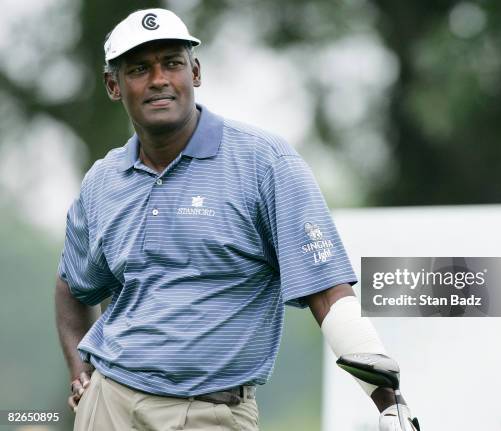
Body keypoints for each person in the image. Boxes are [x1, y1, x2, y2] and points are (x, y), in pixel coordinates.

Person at [54, 8, 418, 431]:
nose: (158, 80)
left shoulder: (265, 163)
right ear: (113, 85)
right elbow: (73, 286)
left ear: (196, 72)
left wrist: (389, 403)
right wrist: (81, 373)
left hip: (211, 412)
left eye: (172, 63)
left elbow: (329, 293)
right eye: (139, 69)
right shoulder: (103, 181)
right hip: (109, 406)